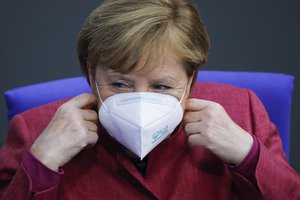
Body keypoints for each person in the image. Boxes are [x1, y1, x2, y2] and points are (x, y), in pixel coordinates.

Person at [0, 0, 299, 199]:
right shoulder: (34, 129)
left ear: (191, 79)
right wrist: (41, 164)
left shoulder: (242, 112)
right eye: (120, 83)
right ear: (91, 74)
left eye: (160, 86)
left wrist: (248, 157)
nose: (140, 103)